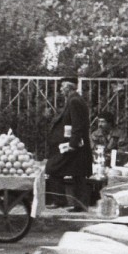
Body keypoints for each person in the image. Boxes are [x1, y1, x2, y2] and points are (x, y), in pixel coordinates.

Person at [45, 77, 92, 210]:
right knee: (78, 174)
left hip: (73, 145)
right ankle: (77, 204)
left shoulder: (74, 101)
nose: (60, 89)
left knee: (53, 168)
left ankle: (61, 201)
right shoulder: (73, 100)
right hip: (75, 144)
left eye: (62, 86)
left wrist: (72, 144)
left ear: (69, 87)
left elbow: (78, 124)